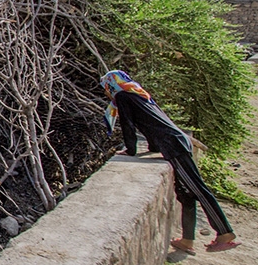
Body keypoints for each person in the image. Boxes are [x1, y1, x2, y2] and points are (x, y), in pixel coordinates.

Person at [100, 70, 239, 253]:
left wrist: (131, 150)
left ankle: (224, 232)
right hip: (175, 142)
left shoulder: (124, 97)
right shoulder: (139, 94)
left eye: (106, 89)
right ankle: (187, 240)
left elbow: (128, 124)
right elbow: (151, 122)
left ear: (111, 85)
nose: (106, 93)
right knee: (185, 193)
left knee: (198, 189)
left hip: (173, 146)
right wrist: (153, 147)